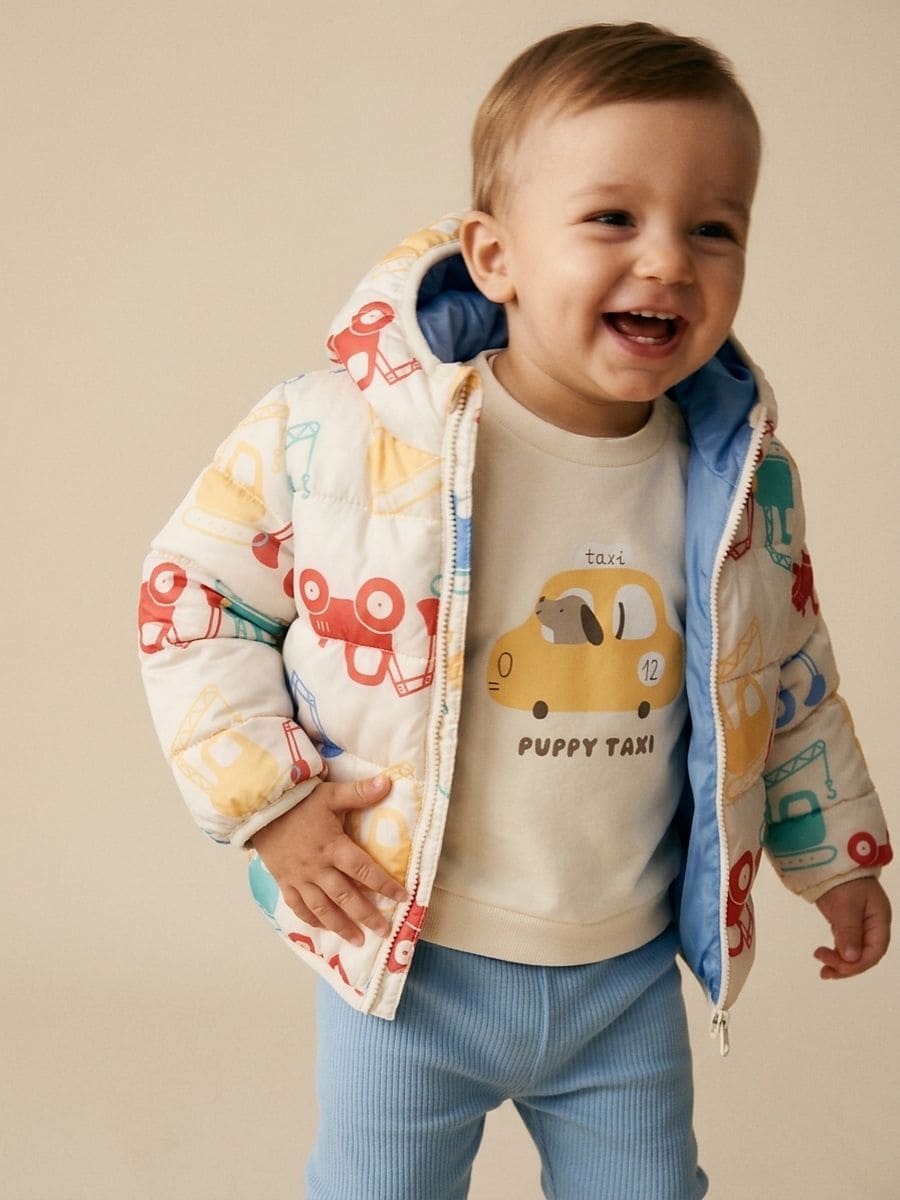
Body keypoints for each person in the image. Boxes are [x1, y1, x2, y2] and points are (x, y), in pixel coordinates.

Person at [139, 22, 892, 1199]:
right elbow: (194, 602)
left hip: (622, 974)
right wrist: (271, 803)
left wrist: (836, 856)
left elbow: (787, 675)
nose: (668, 260)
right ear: (495, 256)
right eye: (613, 218)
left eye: (714, 228)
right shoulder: (343, 434)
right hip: (410, 968)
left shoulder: (736, 481)